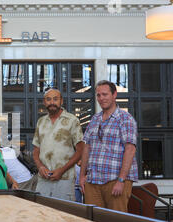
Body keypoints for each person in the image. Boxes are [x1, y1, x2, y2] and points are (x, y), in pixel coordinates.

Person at [79, 80, 138, 213]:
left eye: (105, 94)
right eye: (98, 95)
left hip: (115, 180)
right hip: (93, 181)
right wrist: (82, 176)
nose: (101, 98)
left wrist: (121, 180)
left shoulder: (125, 119)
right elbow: (86, 148)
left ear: (114, 94)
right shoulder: (95, 119)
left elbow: (130, 149)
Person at [32, 88, 84, 201]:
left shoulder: (72, 120)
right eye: (48, 99)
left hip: (64, 179)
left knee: (64, 214)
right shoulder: (40, 122)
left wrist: (62, 170)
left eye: (55, 99)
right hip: (43, 180)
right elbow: (36, 151)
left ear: (61, 101)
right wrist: (40, 167)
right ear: (44, 102)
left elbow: (80, 151)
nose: (52, 102)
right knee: (41, 214)